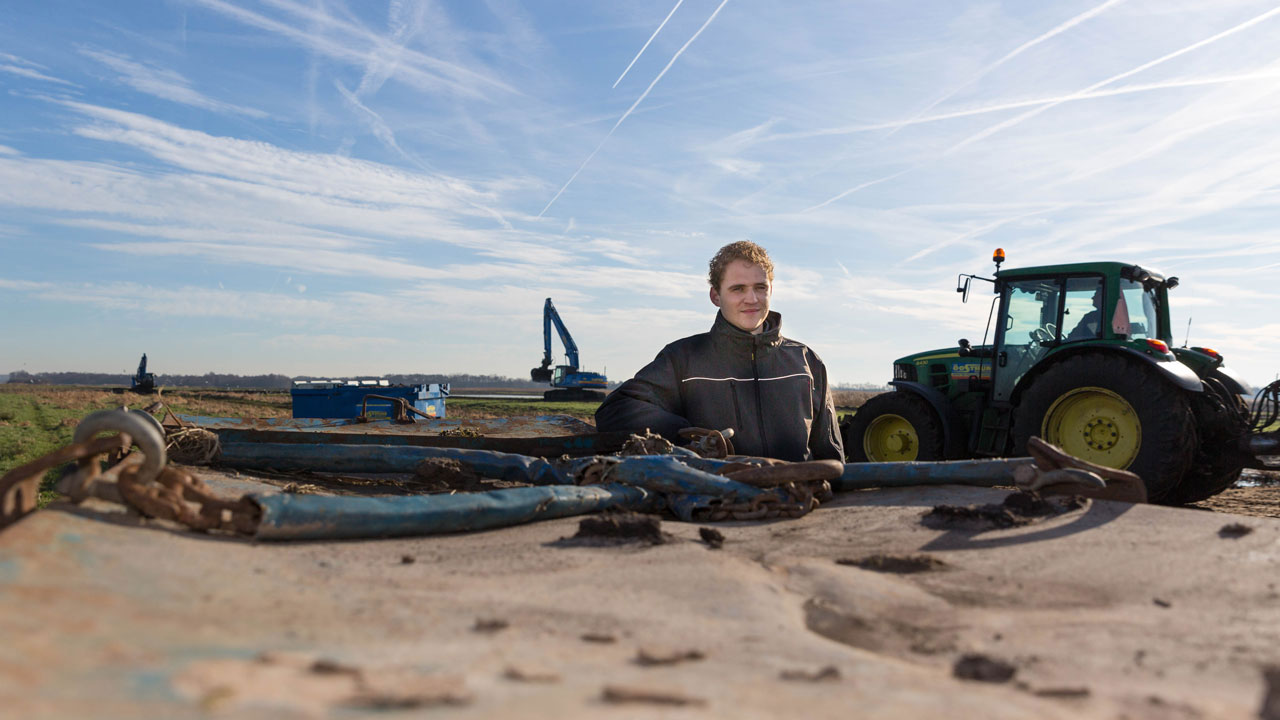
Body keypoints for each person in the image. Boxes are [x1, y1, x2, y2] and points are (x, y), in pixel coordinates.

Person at [595, 241, 844, 462]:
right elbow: (615, 410)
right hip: (719, 504)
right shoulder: (684, 359)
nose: (752, 299)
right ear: (716, 295)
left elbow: (831, 454)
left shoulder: (806, 363)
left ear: (771, 291)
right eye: (738, 289)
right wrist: (689, 435)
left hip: (798, 503)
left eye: (760, 287)